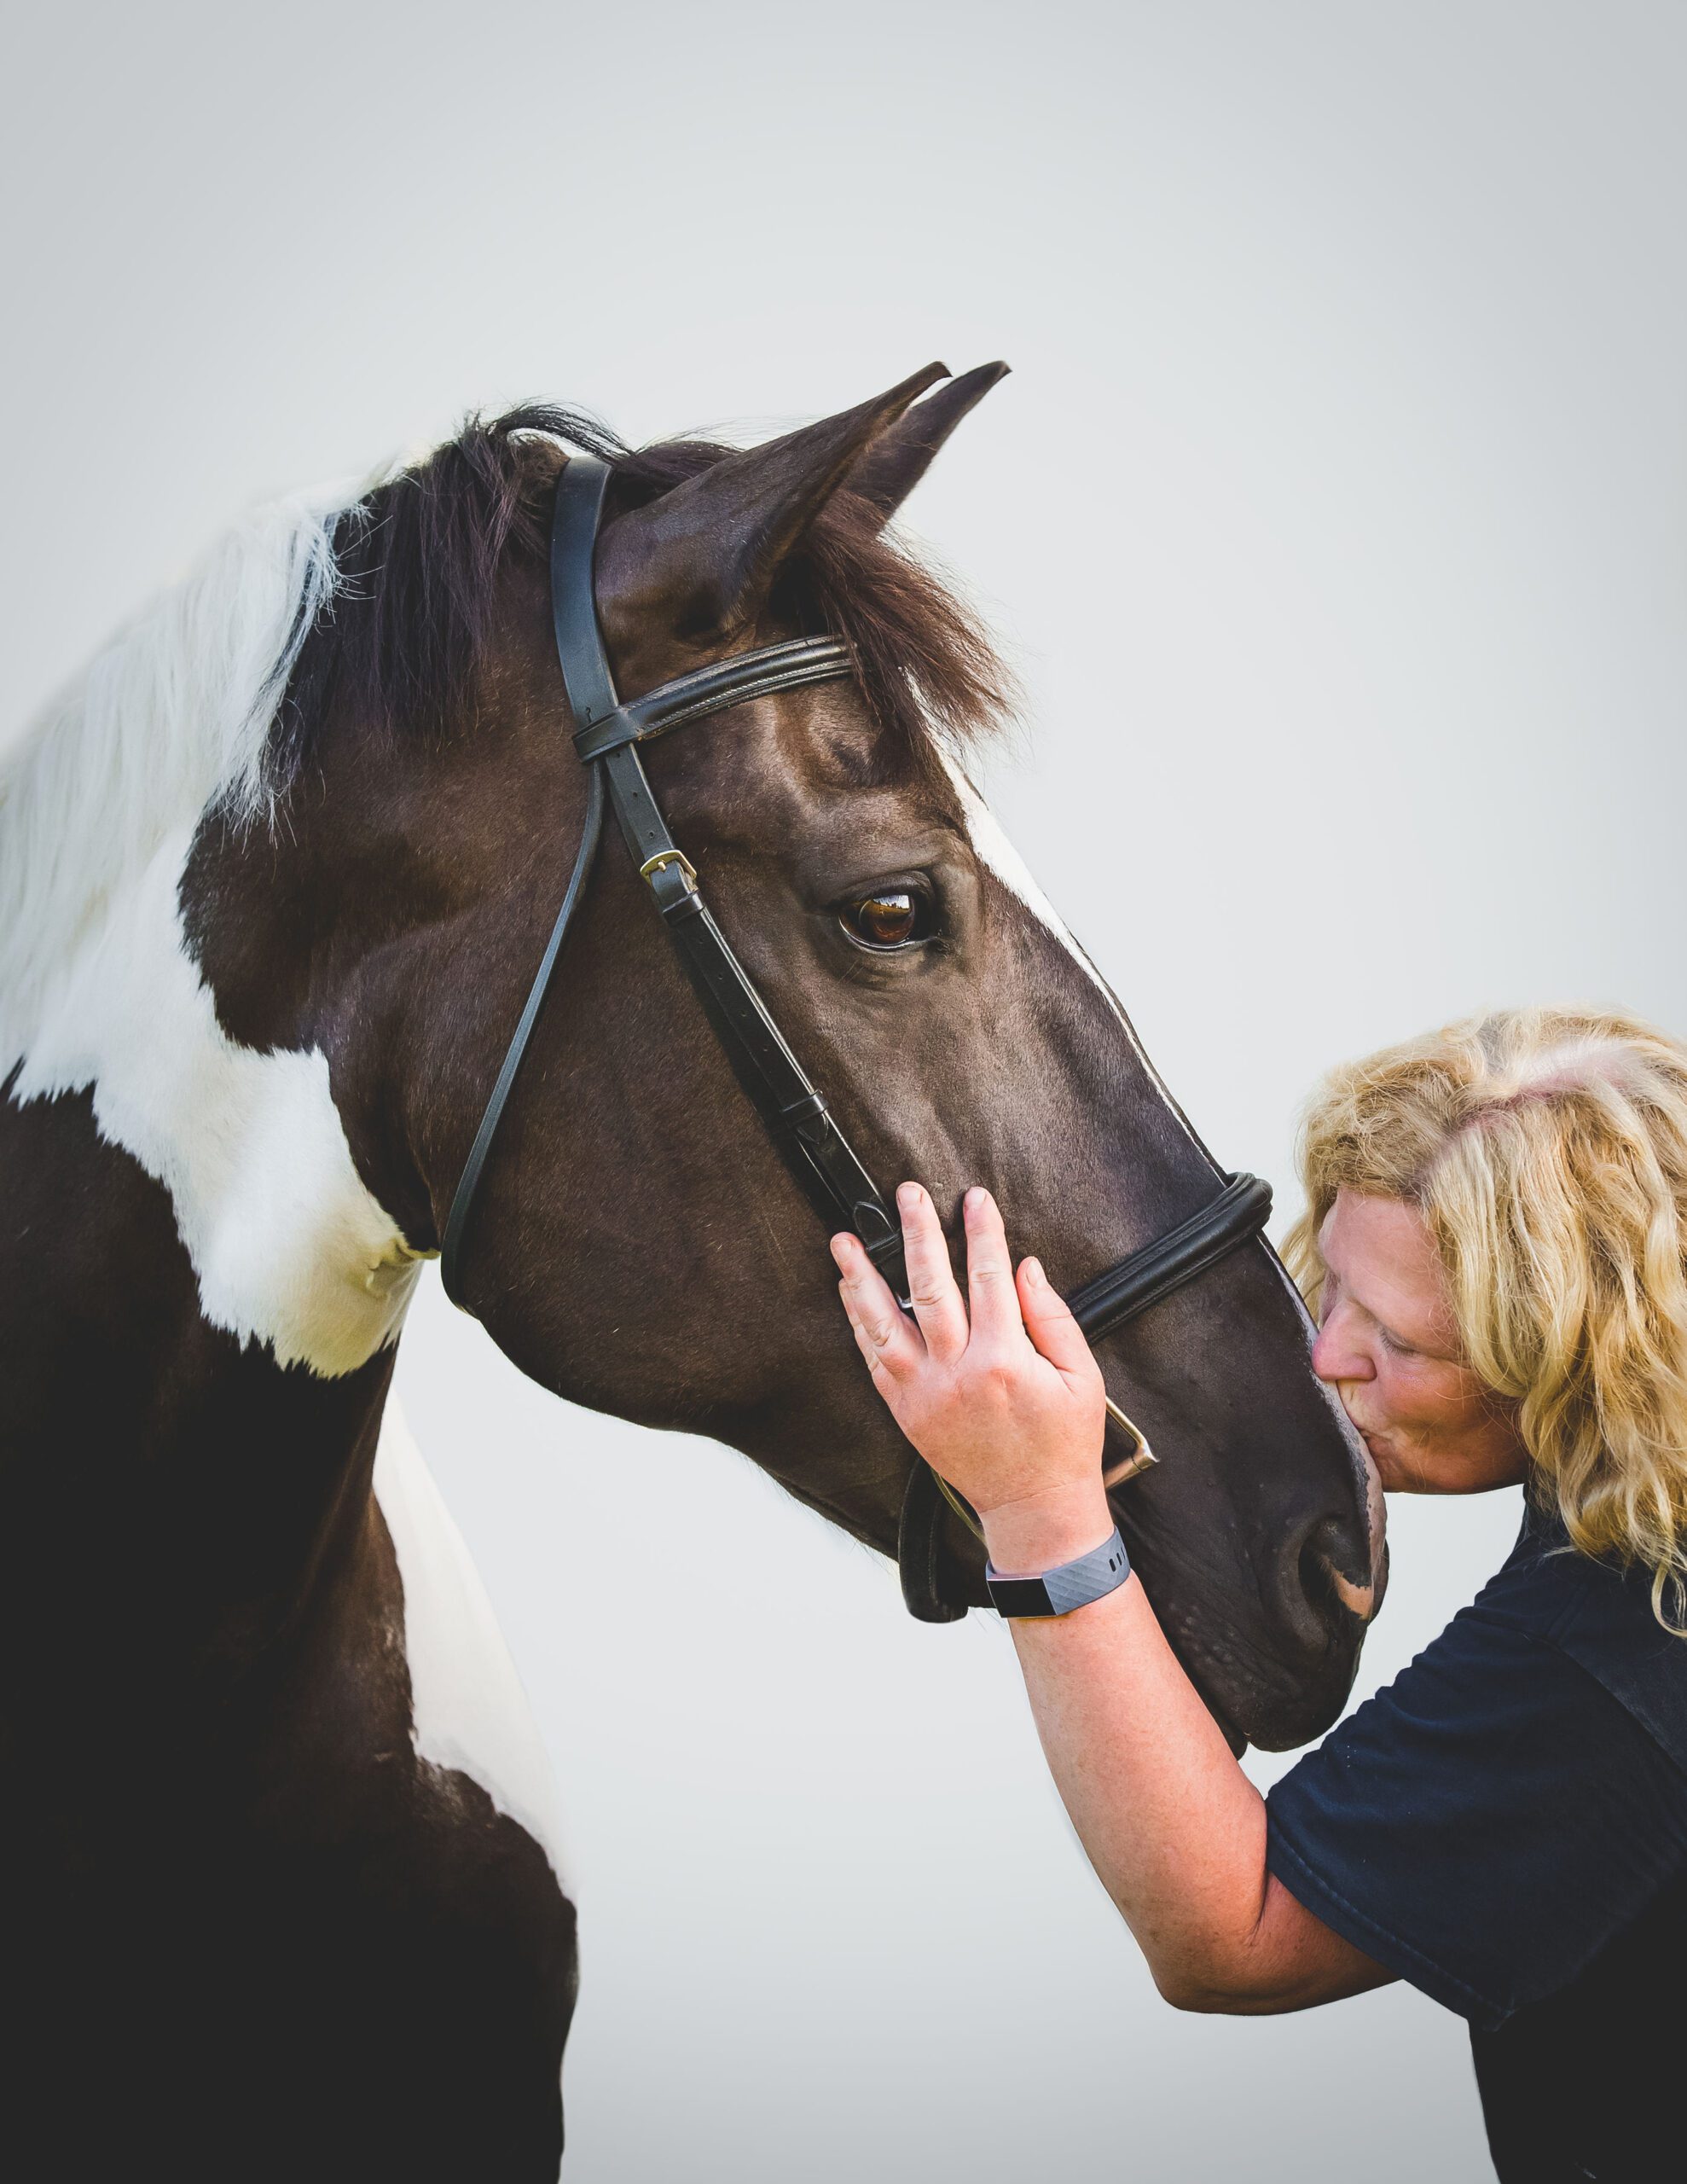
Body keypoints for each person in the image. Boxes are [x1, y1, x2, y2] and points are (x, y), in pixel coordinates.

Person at [831, 1008, 1687, 2184]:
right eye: (1329, 1284)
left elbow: (1235, 1935)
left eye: (1400, 1343)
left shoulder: (1632, 1629)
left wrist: (1035, 1505)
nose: (1326, 1356)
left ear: (1583, 1360)